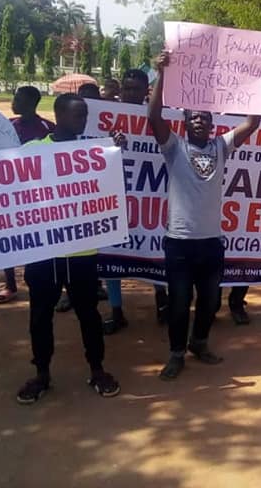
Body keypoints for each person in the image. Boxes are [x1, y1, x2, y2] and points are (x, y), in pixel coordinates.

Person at [148, 50, 261, 380]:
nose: (199, 121)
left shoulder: (221, 146)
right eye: (193, 118)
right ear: (185, 123)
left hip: (212, 242)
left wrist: (256, 85)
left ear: (213, 124)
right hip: (180, 243)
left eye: (204, 118)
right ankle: (176, 353)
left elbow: (253, 123)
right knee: (180, 303)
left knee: (210, 302)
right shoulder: (174, 147)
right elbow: (154, 117)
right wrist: (162, 74)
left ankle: (200, 344)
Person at [15, 92, 122, 404]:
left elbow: (107, 187)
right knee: (39, 317)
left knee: (89, 315)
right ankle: (42, 374)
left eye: (85, 114)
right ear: (59, 115)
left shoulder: (93, 151)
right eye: (78, 115)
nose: (84, 120)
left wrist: (115, 152)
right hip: (44, 253)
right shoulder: (32, 151)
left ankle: (97, 369)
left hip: (81, 253)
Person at [101, 68, 169, 334]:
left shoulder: (157, 116)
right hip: (115, 195)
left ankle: (161, 298)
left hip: (151, 195)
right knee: (112, 252)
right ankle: (117, 311)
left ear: (145, 91)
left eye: (135, 89)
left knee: (154, 245)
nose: (129, 93)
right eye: (126, 88)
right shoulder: (103, 116)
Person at [0, 86, 56, 303]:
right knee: (7, 237)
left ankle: (42, 282)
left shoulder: (46, 129)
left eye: (18, 98)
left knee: (39, 240)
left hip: (37, 195)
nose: (14, 101)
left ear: (31, 103)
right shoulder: (6, 127)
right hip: (9, 193)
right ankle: (10, 285)